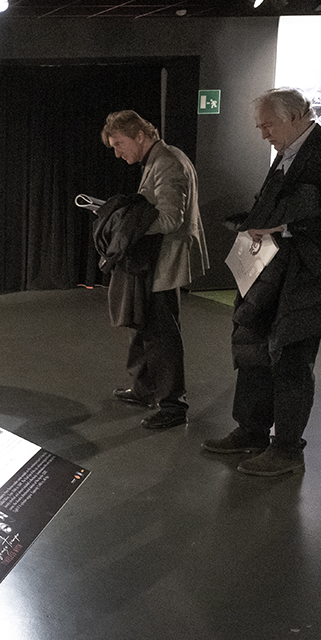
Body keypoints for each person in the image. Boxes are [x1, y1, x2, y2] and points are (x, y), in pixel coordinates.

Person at [203, 88, 321, 476]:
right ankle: (252, 430)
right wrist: (253, 219)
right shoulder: (287, 153)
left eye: (268, 125)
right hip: (273, 271)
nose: (263, 135)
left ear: (294, 116)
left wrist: (287, 228)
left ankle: (288, 449)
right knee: (253, 347)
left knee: (292, 358)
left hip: (309, 275)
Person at [100, 111, 209, 429]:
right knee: (146, 324)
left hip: (165, 259)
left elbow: (170, 219)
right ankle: (145, 389)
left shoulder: (166, 162)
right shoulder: (161, 157)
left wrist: (124, 223)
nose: (119, 154)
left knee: (161, 334)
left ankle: (174, 405)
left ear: (139, 135)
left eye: (120, 144)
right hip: (157, 259)